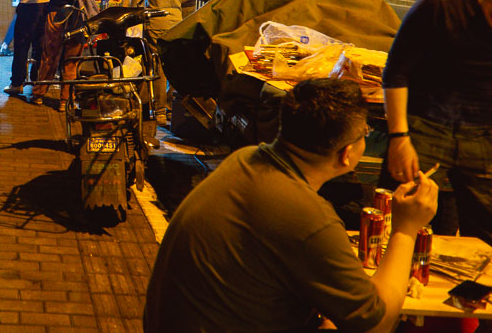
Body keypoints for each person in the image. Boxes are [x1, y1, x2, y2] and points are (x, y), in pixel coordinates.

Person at [143, 78, 438, 332]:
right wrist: (406, 228)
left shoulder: (246, 159)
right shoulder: (306, 214)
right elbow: (377, 322)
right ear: (347, 153)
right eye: (366, 134)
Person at [382, 0, 492, 244]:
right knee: (401, 219)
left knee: (485, 232)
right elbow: (395, 74)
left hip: (485, 134)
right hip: (425, 124)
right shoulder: (440, 4)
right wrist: (399, 137)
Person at [30, 0, 89, 110]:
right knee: (71, 59)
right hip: (75, 16)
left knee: (50, 56)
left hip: (54, 15)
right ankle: (65, 101)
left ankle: (39, 94)